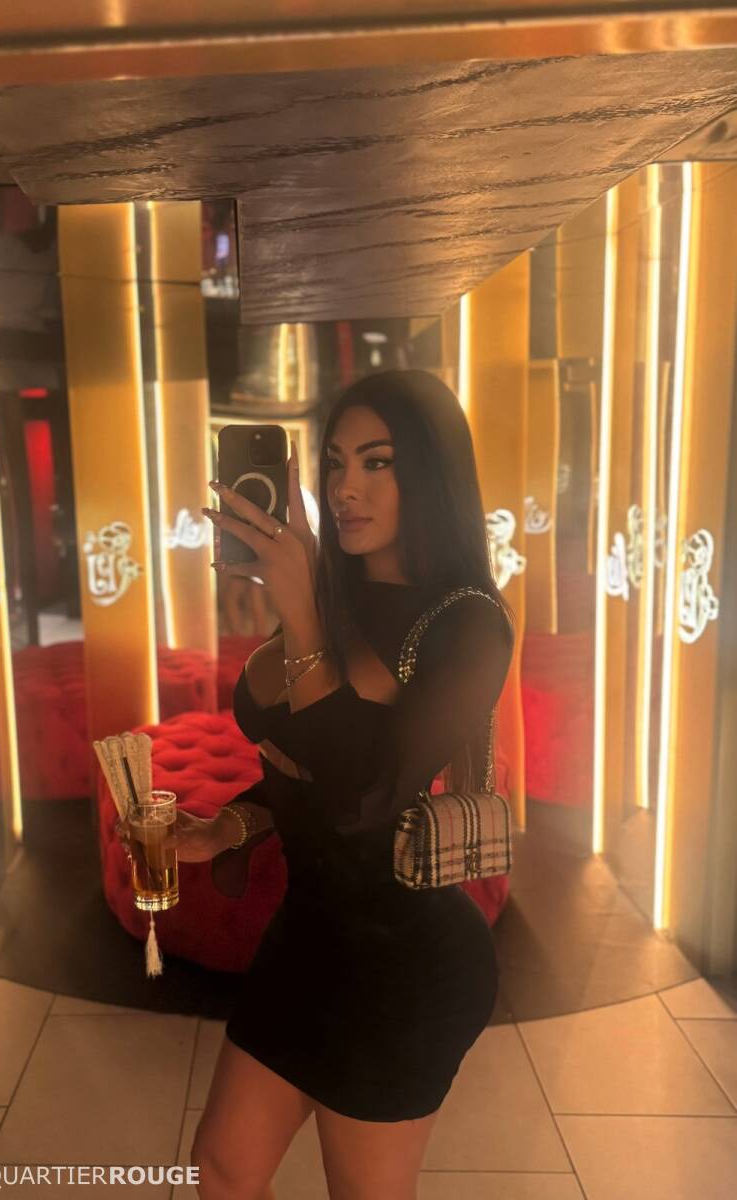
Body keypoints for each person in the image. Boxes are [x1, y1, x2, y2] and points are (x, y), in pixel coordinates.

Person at [118, 369, 515, 1199]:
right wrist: (229, 826)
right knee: (221, 1169)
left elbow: (363, 796)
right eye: (333, 462)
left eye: (377, 461)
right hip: (308, 934)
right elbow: (302, 754)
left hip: (402, 959)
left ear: (431, 472)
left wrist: (301, 614)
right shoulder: (333, 591)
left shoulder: (466, 621)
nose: (343, 488)